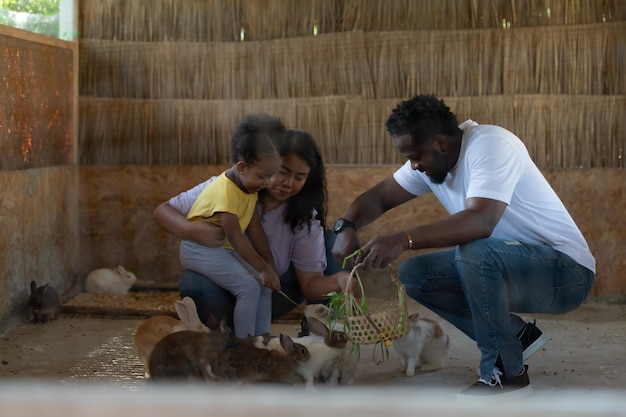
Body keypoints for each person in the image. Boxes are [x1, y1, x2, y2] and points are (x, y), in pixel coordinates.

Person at [331, 94, 595, 399]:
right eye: (408, 158)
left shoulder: (490, 145)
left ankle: (507, 375)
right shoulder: (431, 163)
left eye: (416, 156)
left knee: (476, 251)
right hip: (515, 267)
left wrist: (403, 239)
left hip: (566, 273)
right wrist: (346, 225)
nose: (413, 166)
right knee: (417, 273)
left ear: (441, 143)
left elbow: (480, 222)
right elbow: (379, 197)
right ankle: (514, 337)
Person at [154, 127, 353, 334]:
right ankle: (229, 339)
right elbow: (162, 211)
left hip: (273, 291)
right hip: (224, 293)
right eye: (282, 171)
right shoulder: (227, 190)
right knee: (195, 282)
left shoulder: (303, 216)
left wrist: (338, 281)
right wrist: (190, 229)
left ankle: (307, 331)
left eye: (299, 178)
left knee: (332, 240)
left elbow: (309, 283)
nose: (288, 183)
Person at [179, 113, 281, 338]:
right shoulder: (225, 191)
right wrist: (263, 269)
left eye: (270, 177)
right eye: (263, 177)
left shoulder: (248, 188)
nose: (267, 183)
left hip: (220, 248)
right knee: (249, 287)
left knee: (264, 284)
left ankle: (262, 338)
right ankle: (244, 346)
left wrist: (268, 265)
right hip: (198, 249)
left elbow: (254, 228)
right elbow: (236, 237)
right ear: (242, 167)